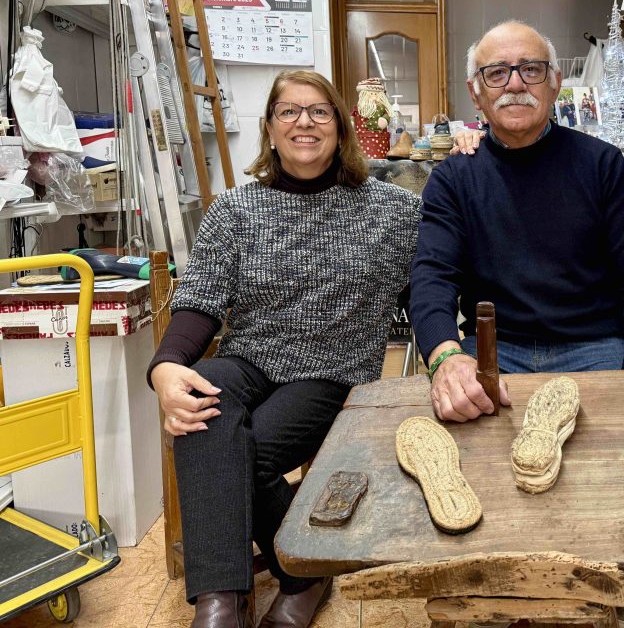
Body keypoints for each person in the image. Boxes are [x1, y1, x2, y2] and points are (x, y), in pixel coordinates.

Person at [148, 70, 420, 628]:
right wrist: (166, 367)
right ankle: (221, 601)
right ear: (270, 129)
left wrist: (449, 354)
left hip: (334, 369)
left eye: (319, 111)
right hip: (250, 358)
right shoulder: (235, 210)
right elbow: (199, 300)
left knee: (242, 453)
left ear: (340, 127)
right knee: (202, 403)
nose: (304, 122)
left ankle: (302, 575)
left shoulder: (393, 211)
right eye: (288, 111)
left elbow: (430, 291)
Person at [410, 20, 624, 424]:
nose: (515, 84)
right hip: (494, 351)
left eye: (531, 69)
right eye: (497, 72)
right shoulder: (453, 179)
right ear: (475, 93)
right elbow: (432, 277)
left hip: (596, 348)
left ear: (554, 84)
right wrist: (445, 356)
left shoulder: (602, 165)